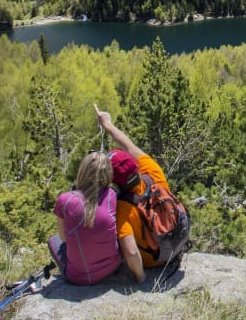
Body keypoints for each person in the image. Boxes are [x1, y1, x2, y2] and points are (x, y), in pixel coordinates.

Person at [94, 104, 173, 282]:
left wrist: (141, 277)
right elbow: (129, 146)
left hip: (154, 261)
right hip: (174, 246)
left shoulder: (123, 209)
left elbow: (130, 252)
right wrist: (108, 125)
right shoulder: (153, 173)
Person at [49, 150, 121, 285]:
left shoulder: (65, 200)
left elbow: (64, 238)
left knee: (54, 240)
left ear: (82, 171)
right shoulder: (111, 195)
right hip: (112, 267)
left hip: (80, 278)